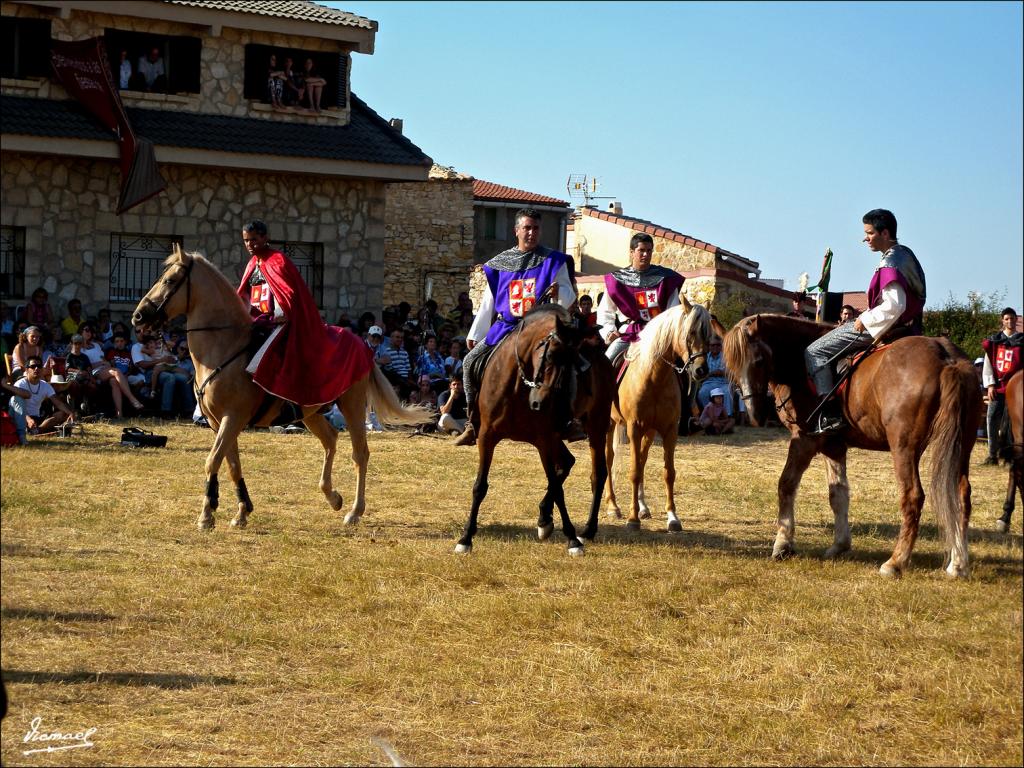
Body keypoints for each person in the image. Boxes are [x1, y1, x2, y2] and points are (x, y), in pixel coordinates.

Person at [454, 208, 578, 446]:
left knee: (568, 365)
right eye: (527, 228)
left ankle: (568, 421)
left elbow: (568, 298)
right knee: (470, 362)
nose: (532, 233)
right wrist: (476, 333)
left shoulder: (554, 261)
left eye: (536, 228)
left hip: (540, 330)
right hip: (506, 328)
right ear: (517, 231)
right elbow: (489, 301)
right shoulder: (499, 264)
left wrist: (558, 295)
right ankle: (473, 423)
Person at [804, 209, 926, 434]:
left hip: (880, 327)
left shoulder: (892, 261)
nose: (865, 238)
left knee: (815, 351)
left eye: (869, 233)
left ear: (885, 233)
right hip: (908, 326)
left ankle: (830, 414)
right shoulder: (904, 255)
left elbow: (895, 306)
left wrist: (865, 319)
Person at [237, 220, 372, 407]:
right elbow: (246, 295)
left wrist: (276, 316)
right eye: (246, 240)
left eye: (253, 239)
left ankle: (285, 404)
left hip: (281, 320)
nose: (249, 244)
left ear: (265, 238)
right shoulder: (253, 263)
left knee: (264, 357)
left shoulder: (278, 260)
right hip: (258, 320)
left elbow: (288, 295)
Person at [597, 233, 685, 367]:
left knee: (684, 368)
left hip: (657, 335)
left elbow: (674, 312)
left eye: (649, 250)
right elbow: (605, 311)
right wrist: (609, 331)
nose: (646, 254)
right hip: (628, 334)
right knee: (604, 366)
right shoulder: (616, 281)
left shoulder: (666, 279)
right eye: (641, 250)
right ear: (632, 252)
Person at [981, 306, 1023, 465]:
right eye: (1007, 319)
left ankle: (1014, 455)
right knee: (992, 418)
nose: (1010, 321)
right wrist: (990, 385)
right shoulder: (994, 341)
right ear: (1002, 321)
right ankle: (992, 455)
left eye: (1012, 318)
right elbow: (988, 364)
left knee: (1015, 422)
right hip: (998, 387)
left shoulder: (1022, 341)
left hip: (1017, 390)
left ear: (1016, 320)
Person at [6, 355, 75, 440]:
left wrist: (70, 413)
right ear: (27, 369)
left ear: (42, 369)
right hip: (22, 417)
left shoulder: (45, 385)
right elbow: (17, 407)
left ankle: (37, 430)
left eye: (39, 366)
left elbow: (57, 402)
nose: (36, 369)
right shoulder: (20, 384)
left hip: (37, 419)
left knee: (63, 413)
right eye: (33, 366)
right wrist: (28, 420)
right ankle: (33, 430)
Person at [696, 337, 734, 418]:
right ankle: (710, 415)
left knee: (727, 392)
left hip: (724, 382)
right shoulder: (705, 358)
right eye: (713, 345)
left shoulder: (726, 357)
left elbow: (729, 372)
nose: (715, 347)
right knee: (702, 393)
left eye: (718, 345)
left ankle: (727, 416)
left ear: (721, 346)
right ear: (709, 346)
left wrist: (713, 373)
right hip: (709, 382)